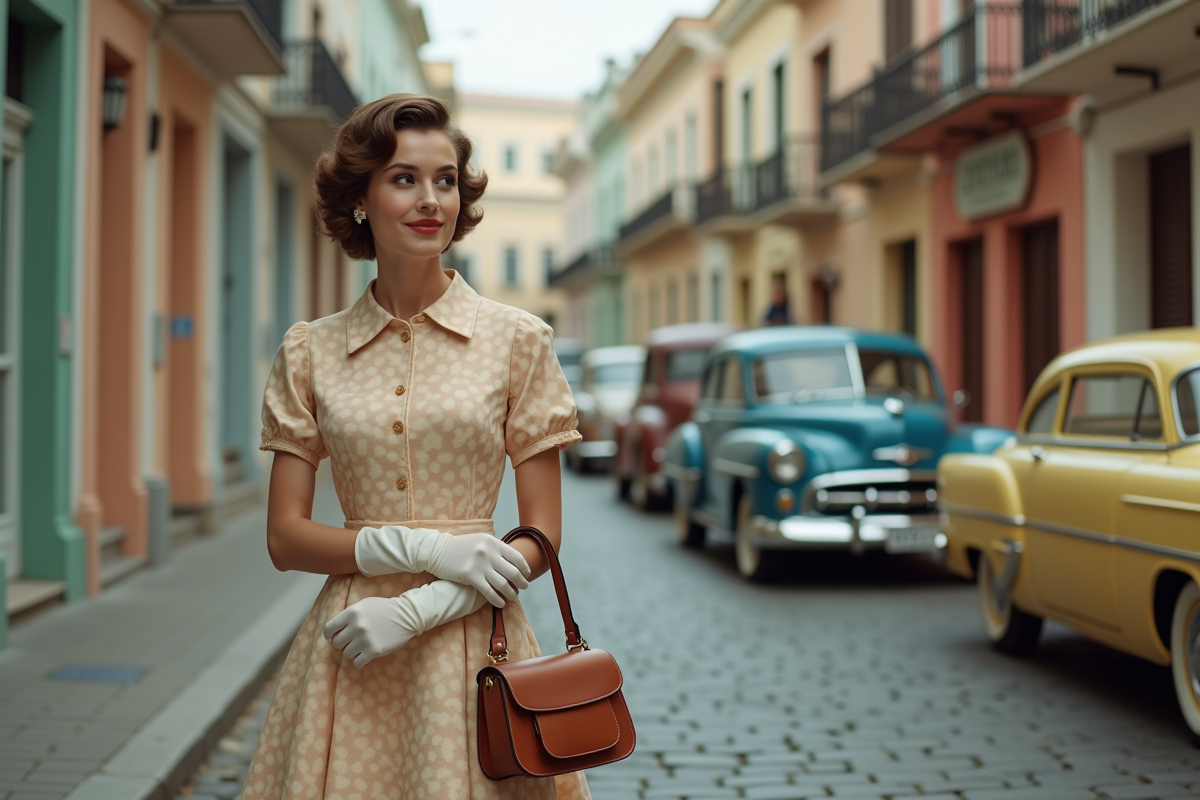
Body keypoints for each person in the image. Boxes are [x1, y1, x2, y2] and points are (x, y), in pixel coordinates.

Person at [240, 95, 589, 800]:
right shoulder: (312, 350)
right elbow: (285, 538)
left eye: (446, 179)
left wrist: (419, 607)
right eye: (404, 178)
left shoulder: (519, 341)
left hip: (471, 639)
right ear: (361, 198)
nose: (431, 199)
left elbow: (543, 532)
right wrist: (423, 550)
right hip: (350, 644)